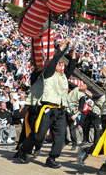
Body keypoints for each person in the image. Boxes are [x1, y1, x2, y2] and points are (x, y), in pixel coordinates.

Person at [19, 37, 76, 168]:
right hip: (48, 108)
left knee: (60, 137)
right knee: (39, 135)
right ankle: (24, 149)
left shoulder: (64, 76)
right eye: (58, 63)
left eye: (61, 64)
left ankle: (51, 158)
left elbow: (72, 66)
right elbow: (55, 58)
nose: (60, 65)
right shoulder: (49, 74)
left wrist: (73, 50)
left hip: (60, 110)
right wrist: (64, 44)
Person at [65, 81, 92, 151]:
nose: (83, 85)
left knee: (72, 128)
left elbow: (81, 108)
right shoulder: (75, 87)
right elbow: (68, 83)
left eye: (85, 85)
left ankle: (74, 143)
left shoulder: (82, 96)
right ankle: (65, 140)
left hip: (71, 111)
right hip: (63, 108)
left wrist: (76, 115)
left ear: (86, 89)